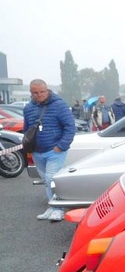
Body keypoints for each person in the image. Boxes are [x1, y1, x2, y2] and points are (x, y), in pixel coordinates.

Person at [23, 79, 76, 222]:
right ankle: (52, 207)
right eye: (35, 92)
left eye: (42, 91)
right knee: (47, 181)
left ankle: (58, 209)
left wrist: (61, 146)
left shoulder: (59, 105)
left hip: (55, 151)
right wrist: (29, 148)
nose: (39, 94)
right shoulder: (28, 108)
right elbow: (27, 129)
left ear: (47, 90)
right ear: (31, 92)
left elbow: (70, 127)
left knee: (51, 179)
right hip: (37, 151)